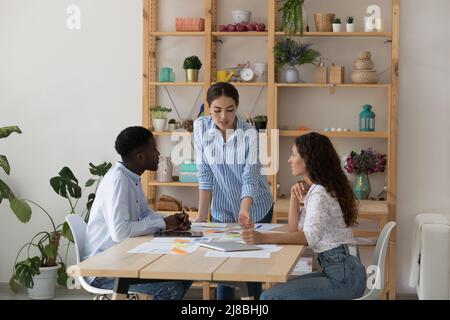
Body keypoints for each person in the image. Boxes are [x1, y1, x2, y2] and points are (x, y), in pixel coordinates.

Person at [241, 132, 367, 300]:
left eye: (293, 154)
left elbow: (308, 237)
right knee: (274, 293)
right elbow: (295, 230)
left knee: (270, 297)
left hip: (344, 278)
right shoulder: (320, 189)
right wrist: (294, 196)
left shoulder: (319, 193)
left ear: (308, 160)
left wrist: (263, 237)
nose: (289, 160)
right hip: (344, 273)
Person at [83, 126, 192, 300]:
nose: (158, 153)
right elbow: (120, 232)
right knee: (170, 288)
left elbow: (145, 215)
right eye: (154, 149)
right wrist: (163, 223)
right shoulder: (118, 180)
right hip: (103, 270)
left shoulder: (131, 177)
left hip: (123, 260)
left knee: (184, 273)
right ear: (140, 156)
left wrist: (171, 220)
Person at [194, 82, 274, 299]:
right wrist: (202, 215)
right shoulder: (200, 127)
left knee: (250, 269)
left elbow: (250, 176)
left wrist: (245, 208)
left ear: (237, 107)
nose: (223, 116)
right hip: (221, 208)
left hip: (255, 207)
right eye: (217, 110)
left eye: (230, 110)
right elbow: (204, 173)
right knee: (223, 269)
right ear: (208, 107)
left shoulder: (249, 133)